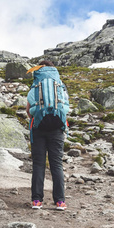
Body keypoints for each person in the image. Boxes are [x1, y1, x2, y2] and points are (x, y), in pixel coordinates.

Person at [26, 60, 68, 211]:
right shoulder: (60, 85)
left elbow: (29, 109)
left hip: (38, 128)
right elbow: (66, 108)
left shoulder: (35, 86)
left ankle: (37, 201)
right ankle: (60, 202)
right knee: (56, 164)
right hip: (57, 129)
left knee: (38, 165)